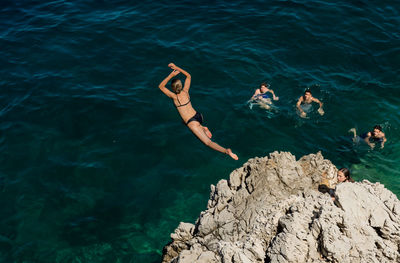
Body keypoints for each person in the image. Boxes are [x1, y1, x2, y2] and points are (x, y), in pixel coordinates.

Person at [158, 63, 238, 160]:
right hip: (198, 116)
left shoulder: (174, 97)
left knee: (207, 142)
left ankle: (226, 151)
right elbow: (188, 76)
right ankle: (203, 127)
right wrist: (177, 67)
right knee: (184, 122)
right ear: (181, 85)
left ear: (172, 88)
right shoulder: (186, 91)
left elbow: (161, 86)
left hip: (192, 122)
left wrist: (171, 75)